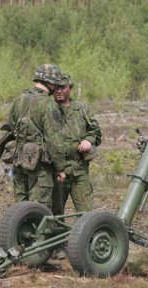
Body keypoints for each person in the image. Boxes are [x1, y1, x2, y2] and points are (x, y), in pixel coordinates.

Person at [7, 64, 66, 210]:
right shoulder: (48, 104)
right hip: (39, 165)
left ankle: (20, 232)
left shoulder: (20, 99)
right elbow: (55, 140)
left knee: (20, 207)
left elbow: (11, 126)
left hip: (19, 160)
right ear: (50, 83)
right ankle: (41, 233)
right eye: (56, 84)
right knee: (40, 208)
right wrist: (60, 168)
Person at [50, 74, 102, 216]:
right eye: (55, 88)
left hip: (79, 169)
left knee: (86, 214)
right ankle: (57, 238)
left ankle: (83, 238)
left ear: (70, 88)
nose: (58, 91)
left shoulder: (81, 109)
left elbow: (95, 131)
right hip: (57, 171)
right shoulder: (48, 109)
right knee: (55, 214)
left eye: (62, 87)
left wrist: (89, 140)